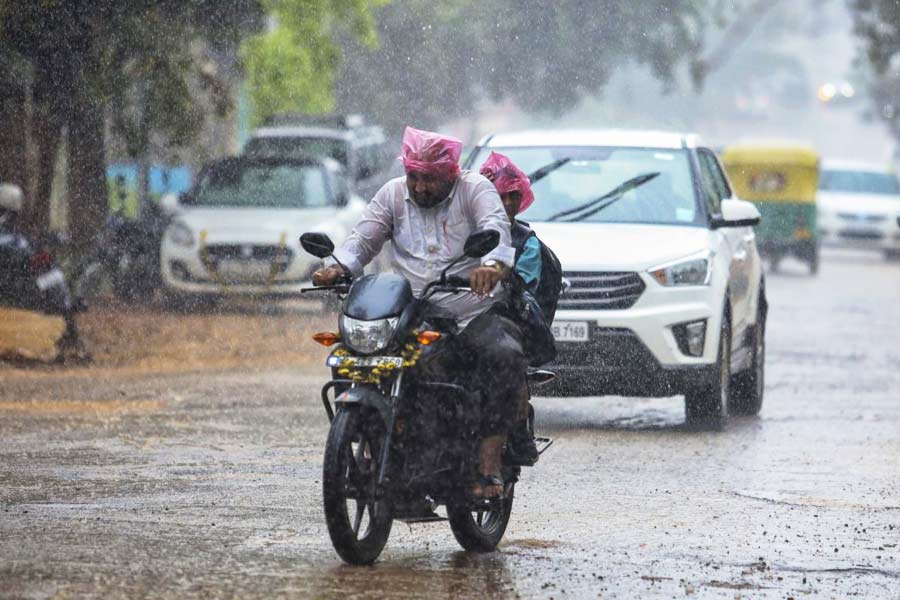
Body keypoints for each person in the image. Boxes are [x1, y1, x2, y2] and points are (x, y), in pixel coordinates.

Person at [313, 126, 527, 498]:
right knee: (358, 356)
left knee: (503, 355)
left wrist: (491, 267)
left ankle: (489, 465)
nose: (420, 186)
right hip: (410, 311)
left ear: (451, 174)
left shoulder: (475, 189)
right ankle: (383, 443)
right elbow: (363, 239)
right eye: (414, 176)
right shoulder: (393, 194)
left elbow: (497, 232)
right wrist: (339, 268)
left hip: (471, 310)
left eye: (430, 179)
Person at [479, 152, 544, 464]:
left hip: (507, 314)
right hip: (462, 313)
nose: (507, 203)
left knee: (509, 361)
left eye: (513, 196)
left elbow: (523, 283)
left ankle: (518, 435)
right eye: (499, 196)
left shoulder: (526, 241)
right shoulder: (463, 228)